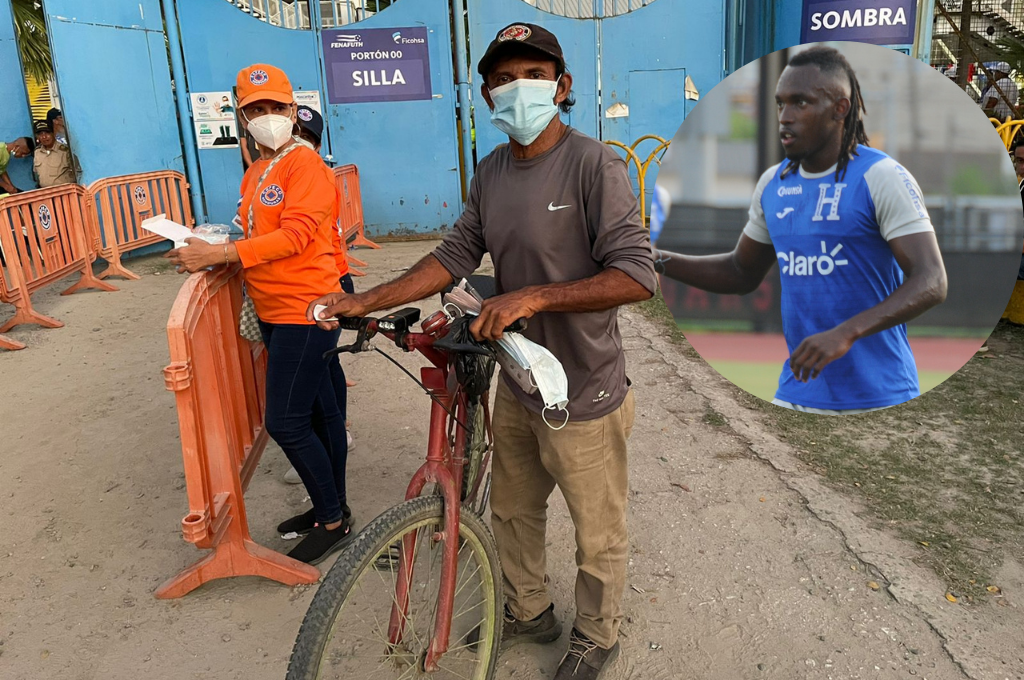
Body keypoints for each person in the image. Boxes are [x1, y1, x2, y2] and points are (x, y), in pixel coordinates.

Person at [310, 22, 656, 680]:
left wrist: (534, 299)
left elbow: (639, 275)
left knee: (597, 528)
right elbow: (453, 257)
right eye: (501, 79)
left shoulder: (594, 164)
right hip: (522, 382)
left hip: (585, 389)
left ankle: (597, 634)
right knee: (512, 510)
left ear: (562, 86)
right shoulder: (493, 171)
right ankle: (529, 610)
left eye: (531, 74)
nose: (516, 88)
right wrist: (367, 300)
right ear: (486, 94)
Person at [656, 46, 948, 414]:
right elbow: (740, 271)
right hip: (797, 391)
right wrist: (658, 259)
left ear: (840, 109)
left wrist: (846, 332)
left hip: (880, 397)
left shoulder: (881, 177)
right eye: (781, 104)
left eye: (801, 103)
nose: (785, 117)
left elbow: (932, 281)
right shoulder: (773, 184)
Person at [166, 63, 353, 565]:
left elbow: (293, 237)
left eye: (275, 107)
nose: (266, 116)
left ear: (293, 111)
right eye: (255, 109)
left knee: (287, 422)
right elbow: (254, 235)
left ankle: (332, 520)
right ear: (242, 117)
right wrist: (203, 245)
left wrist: (219, 256)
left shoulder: (306, 166)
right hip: (274, 309)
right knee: (320, 412)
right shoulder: (257, 170)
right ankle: (329, 510)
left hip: (305, 309)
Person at [281, 103, 357, 486]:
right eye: (296, 135)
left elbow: (293, 238)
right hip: (326, 284)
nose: (299, 143)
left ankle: (331, 440)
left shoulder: (310, 175)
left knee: (322, 372)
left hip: (327, 286)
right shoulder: (282, 174)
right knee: (326, 370)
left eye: (307, 138)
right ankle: (331, 439)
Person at [32, 120, 79, 188]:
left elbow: (77, 173)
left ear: (53, 133)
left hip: (65, 193)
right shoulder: (37, 152)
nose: (44, 137)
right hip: (46, 194)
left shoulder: (65, 151)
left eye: (47, 133)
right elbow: (37, 174)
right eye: (40, 134)